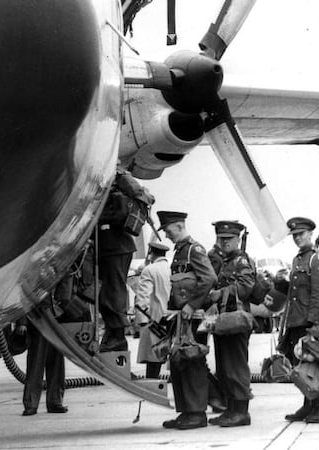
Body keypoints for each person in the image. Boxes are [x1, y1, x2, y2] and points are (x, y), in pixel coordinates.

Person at [158, 210, 218, 430]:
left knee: (192, 361)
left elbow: (209, 278)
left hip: (194, 317)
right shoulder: (180, 251)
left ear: (179, 226)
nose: (166, 235)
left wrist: (192, 305)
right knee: (179, 362)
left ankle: (197, 413)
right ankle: (186, 411)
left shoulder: (194, 249)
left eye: (168, 230)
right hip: (180, 317)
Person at [279, 216, 319, 424]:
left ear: (310, 233)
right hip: (297, 321)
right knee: (301, 367)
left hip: (310, 323)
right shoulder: (297, 259)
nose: (297, 238)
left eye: (301, 234)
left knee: (314, 368)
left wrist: (314, 325)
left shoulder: (315, 259)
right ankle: (308, 404)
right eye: (294, 235)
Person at [97, 168, 154, 352]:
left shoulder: (118, 175)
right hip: (109, 246)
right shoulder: (104, 176)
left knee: (113, 291)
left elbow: (143, 196)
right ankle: (112, 331)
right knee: (107, 292)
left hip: (117, 246)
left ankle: (118, 336)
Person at [206, 220, 257, 427]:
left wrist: (220, 293)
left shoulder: (242, 261)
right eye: (221, 238)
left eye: (228, 239)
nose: (224, 242)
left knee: (236, 367)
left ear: (238, 239)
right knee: (224, 367)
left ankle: (242, 412)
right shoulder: (225, 261)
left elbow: (245, 288)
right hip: (223, 322)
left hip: (236, 322)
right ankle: (230, 409)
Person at [19, 275, 70, 416]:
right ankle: (31, 403)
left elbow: (66, 290)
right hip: (38, 318)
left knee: (57, 362)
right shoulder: (33, 268)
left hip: (56, 318)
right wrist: (22, 322)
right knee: (36, 362)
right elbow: (22, 293)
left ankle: (55, 401)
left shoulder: (61, 267)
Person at [134, 241, 172, 379]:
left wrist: (141, 321)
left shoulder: (149, 270)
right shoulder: (171, 268)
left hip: (154, 319)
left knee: (153, 357)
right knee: (168, 354)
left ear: (151, 253)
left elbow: (143, 297)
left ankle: (152, 385)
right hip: (171, 318)